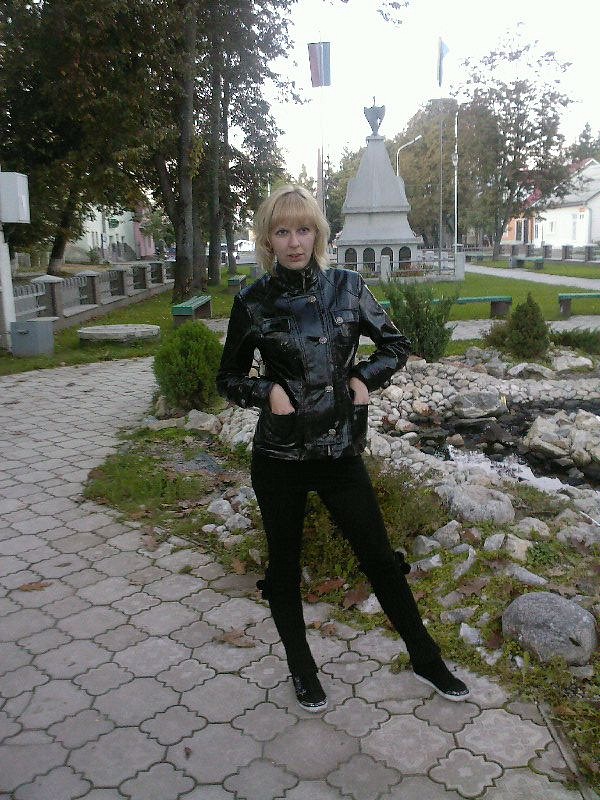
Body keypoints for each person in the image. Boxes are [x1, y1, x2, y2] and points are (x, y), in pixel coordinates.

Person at [217, 185, 469, 712]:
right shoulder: (253, 300)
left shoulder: (348, 288)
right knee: (284, 568)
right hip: (280, 456)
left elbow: (396, 346)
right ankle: (301, 667)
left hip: (339, 450)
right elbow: (229, 378)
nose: (294, 242)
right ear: (267, 239)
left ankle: (426, 657)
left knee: (379, 557)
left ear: (318, 234)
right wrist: (268, 392)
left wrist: (362, 380)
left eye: (303, 229)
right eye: (282, 231)